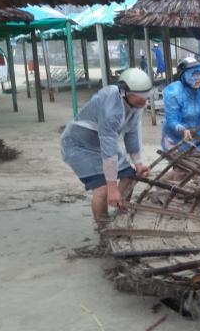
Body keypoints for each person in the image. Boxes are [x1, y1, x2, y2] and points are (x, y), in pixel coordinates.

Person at [61, 68, 152, 229]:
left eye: (146, 95)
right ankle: (104, 230)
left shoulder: (137, 103)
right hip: (79, 145)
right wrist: (112, 188)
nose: (144, 100)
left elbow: (131, 132)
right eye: (139, 96)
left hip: (100, 141)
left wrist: (138, 163)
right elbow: (109, 153)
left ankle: (121, 218)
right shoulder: (110, 109)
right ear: (124, 92)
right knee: (102, 189)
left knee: (129, 175)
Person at [160, 58, 200, 181]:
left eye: (199, 73)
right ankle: (177, 196)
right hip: (175, 135)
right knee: (182, 168)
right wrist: (183, 130)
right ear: (184, 76)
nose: (198, 78)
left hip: (195, 133)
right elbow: (172, 119)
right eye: (193, 74)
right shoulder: (174, 93)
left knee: (194, 167)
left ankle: (160, 183)